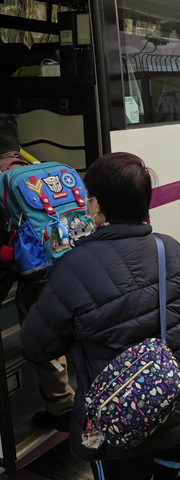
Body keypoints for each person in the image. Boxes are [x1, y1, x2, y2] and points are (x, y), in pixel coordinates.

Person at [20, 153, 180, 480]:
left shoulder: (74, 267)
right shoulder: (172, 249)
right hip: (179, 407)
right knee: (172, 473)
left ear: (97, 206)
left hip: (112, 426)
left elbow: (36, 346)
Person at [0, 113, 76, 432]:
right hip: (69, 262)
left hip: (38, 275)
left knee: (41, 335)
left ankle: (61, 407)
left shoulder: (3, 184)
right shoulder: (40, 170)